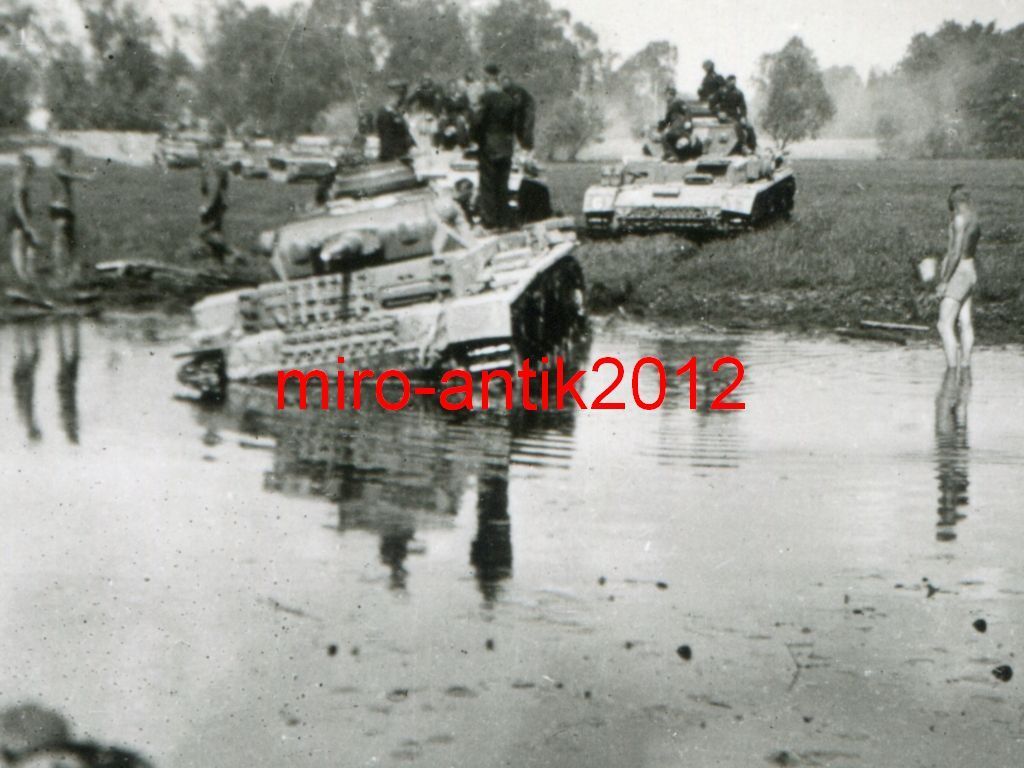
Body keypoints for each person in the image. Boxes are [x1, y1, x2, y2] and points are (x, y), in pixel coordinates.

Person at [935, 184, 981, 368]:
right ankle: (965, 366)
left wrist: (944, 281)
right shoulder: (975, 220)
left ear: (954, 200)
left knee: (944, 323)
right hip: (970, 269)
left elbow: (955, 253)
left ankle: (951, 370)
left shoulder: (959, 220)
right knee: (965, 320)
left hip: (958, 271)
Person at [472, 64, 521, 230]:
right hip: (506, 146)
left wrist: (475, 139)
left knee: (488, 184)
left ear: (487, 79)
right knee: (503, 183)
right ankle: (504, 220)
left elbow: (477, 123)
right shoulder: (509, 99)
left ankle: (490, 221)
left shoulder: (486, 98)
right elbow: (514, 125)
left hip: (489, 145)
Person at [49, 146, 94, 284]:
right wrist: (85, 176)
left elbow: (69, 175)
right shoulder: (57, 168)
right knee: (61, 239)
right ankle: (60, 271)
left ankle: (70, 272)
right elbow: (67, 173)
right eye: (67, 159)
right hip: (59, 208)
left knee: (70, 241)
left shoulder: (60, 168)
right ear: (61, 158)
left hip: (66, 209)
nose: (68, 162)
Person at [9, 153, 40, 283]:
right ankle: (22, 273)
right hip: (19, 214)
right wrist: (26, 222)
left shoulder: (21, 178)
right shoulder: (20, 180)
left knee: (29, 243)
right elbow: (18, 203)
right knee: (20, 243)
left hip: (21, 213)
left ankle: (27, 271)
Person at [376, 80, 416, 162]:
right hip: (393, 155)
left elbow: (405, 130)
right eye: (397, 97)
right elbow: (387, 137)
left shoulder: (396, 111)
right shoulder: (385, 113)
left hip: (402, 153)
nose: (399, 101)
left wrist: (412, 144)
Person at [198, 162, 230, 262]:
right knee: (215, 230)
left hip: (214, 206)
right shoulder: (218, 167)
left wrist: (206, 206)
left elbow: (213, 188)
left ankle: (216, 255)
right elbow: (221, 187)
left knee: (206, 231)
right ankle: (218, 258)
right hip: (219, 203)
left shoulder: (210, 168)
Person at [500, 75, 536, 153]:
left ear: (509, 82)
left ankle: (528, 149)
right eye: (502, 83)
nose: (504, 84)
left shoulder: (516, 90)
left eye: (505, 82)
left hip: (527, 108)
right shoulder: (503, 91)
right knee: (517, 128)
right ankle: (521, 148)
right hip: (519, 110)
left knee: (526, 127)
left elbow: (517, 104)